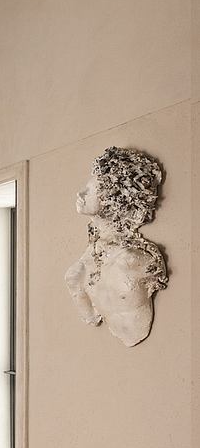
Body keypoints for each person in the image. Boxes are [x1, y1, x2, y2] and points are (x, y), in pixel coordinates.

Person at [64, 146, 167, 347]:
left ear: (113, 200)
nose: (81, 193)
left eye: (91, 190)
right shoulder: (89, 258)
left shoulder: (133, 258)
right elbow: (92, 314)